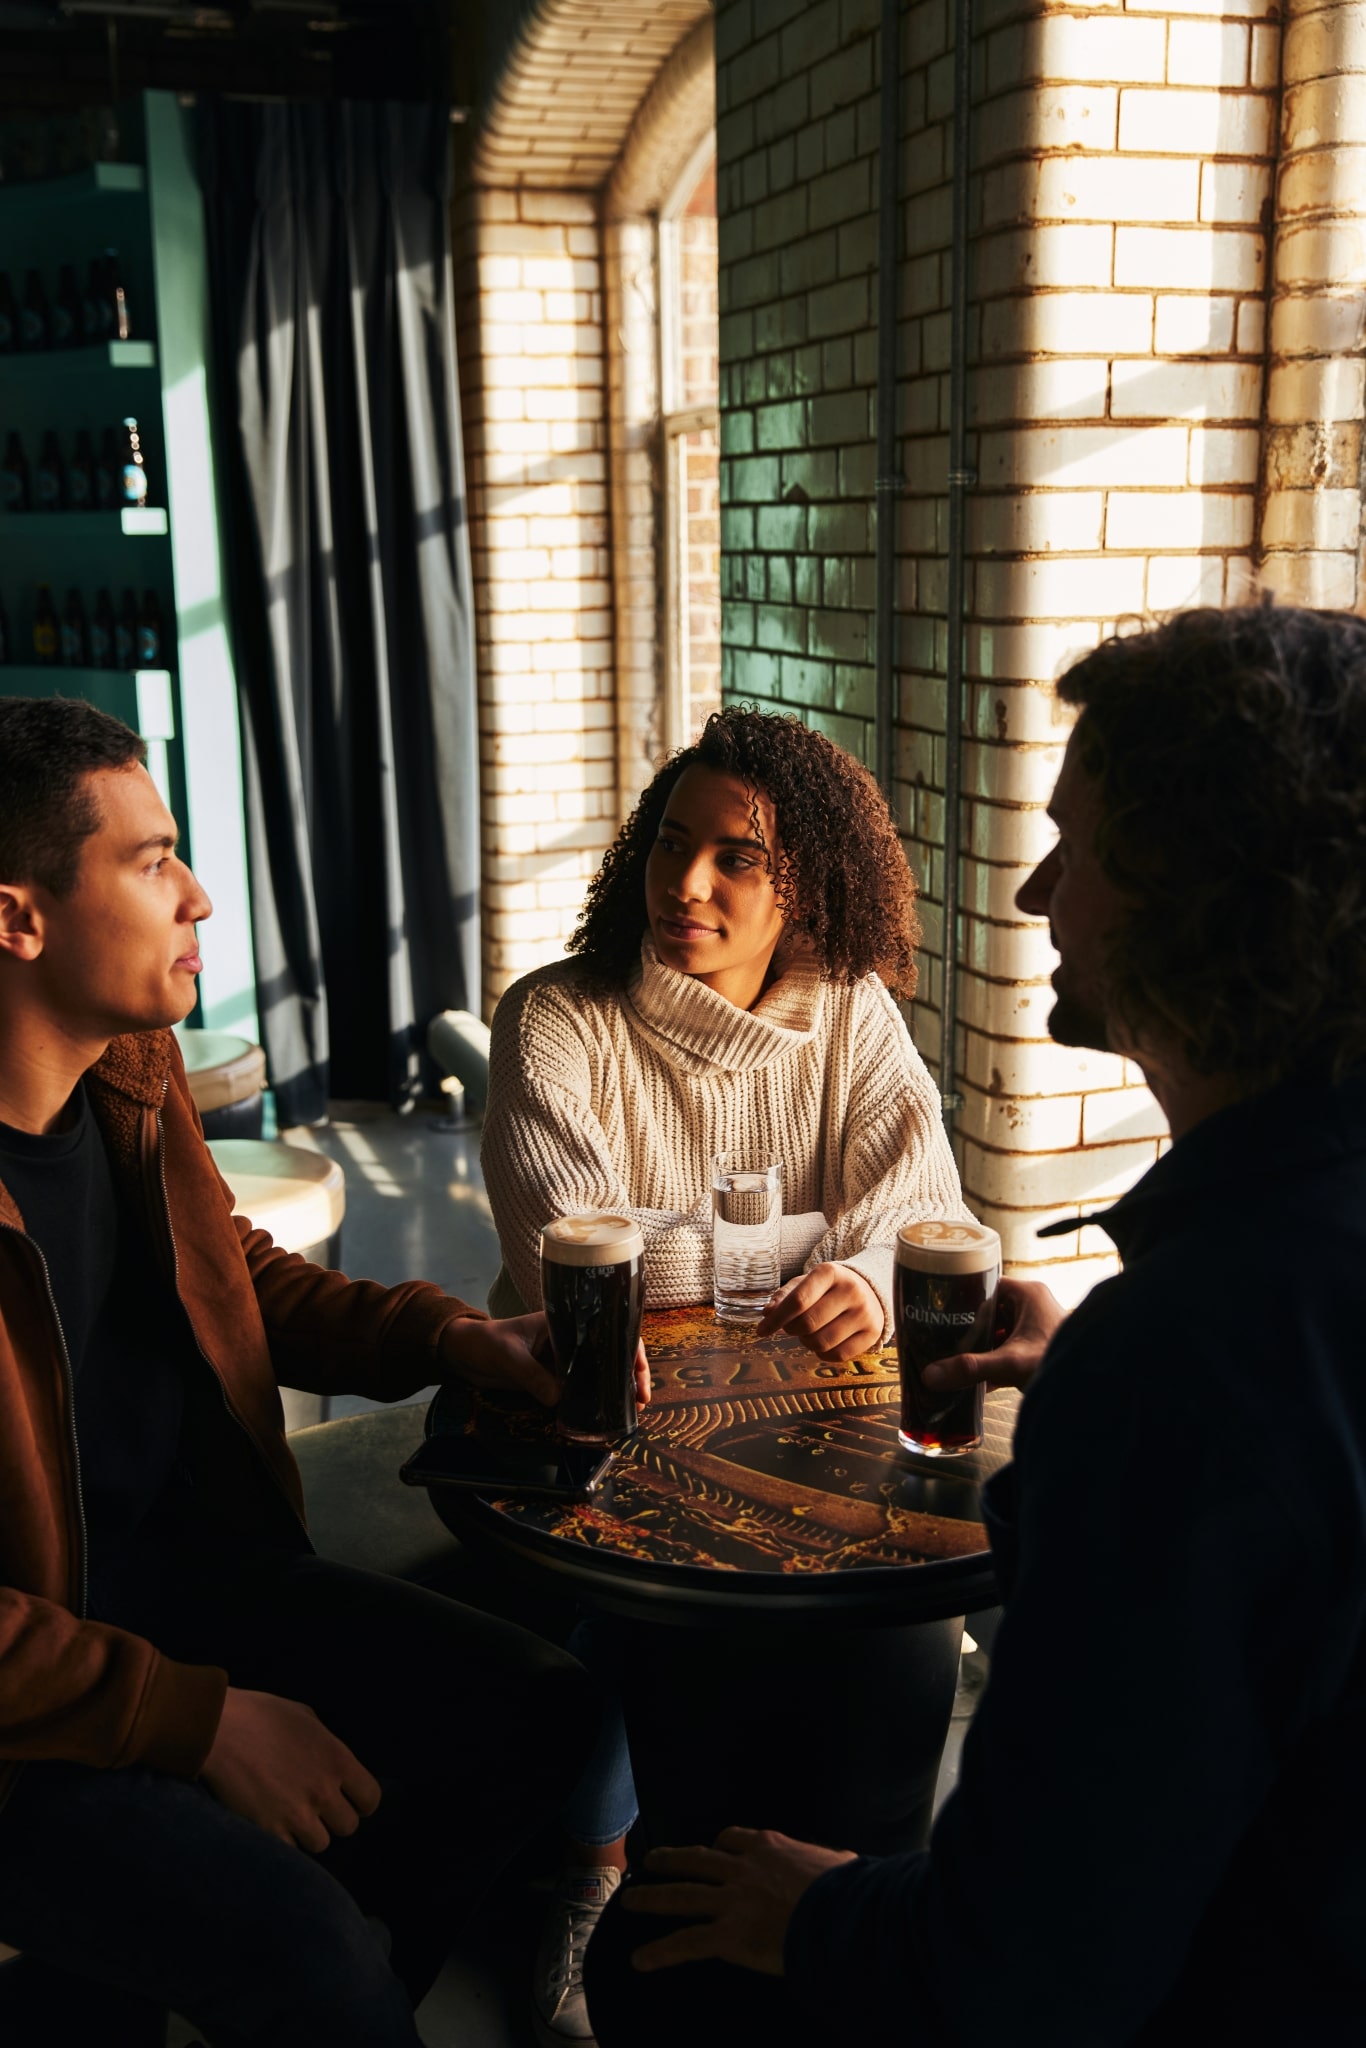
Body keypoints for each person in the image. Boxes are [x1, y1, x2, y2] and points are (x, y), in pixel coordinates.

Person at [583, 601, 1366, 2046]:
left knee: (653, 1952)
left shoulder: (1186, 1358)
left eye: (1076, 847)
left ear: (1200, 893)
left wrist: (821, 1917)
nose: (1032, 891)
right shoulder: (1252, 1310)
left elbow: (1036, 1961)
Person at [0, 697, 597, 2047]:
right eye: (152, 860)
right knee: (305, 1948)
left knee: (539, 1712)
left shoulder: (127, 1067)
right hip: (29, 1713)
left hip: (184, 1588)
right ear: (17, 920)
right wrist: (193, 1722)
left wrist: (450, 1336)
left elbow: (231, 1272)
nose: (198, 897)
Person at [481, 707, 1055, 2045]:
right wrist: (820, 1249)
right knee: (690, 1643)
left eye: (737, 858)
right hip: (606, 1428)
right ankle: (610, 1878)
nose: (686, 884)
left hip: (820, 1434)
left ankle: (857, 1908)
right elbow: (571, 1253)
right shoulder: (557, 1018)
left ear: (808, 886)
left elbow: (923, 1212)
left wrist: (864, 1264)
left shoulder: (850, 1011)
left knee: (895, 1627)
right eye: (670, 843)